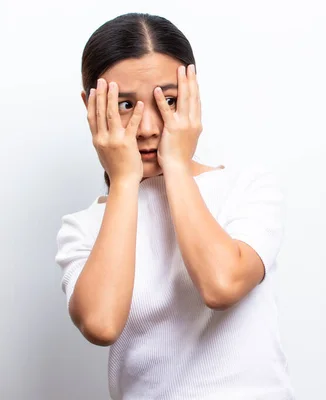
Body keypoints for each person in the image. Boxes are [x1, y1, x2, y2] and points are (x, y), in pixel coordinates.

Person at [54, 12, 293, 400]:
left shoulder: (246, 187)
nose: (148, 127)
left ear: (192, 97)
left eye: (168, 100)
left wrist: (177, 165)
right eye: (125, 104)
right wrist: (126, 182)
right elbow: (100, 324)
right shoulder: (84, 226)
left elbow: (221, 284)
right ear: (91, 107)